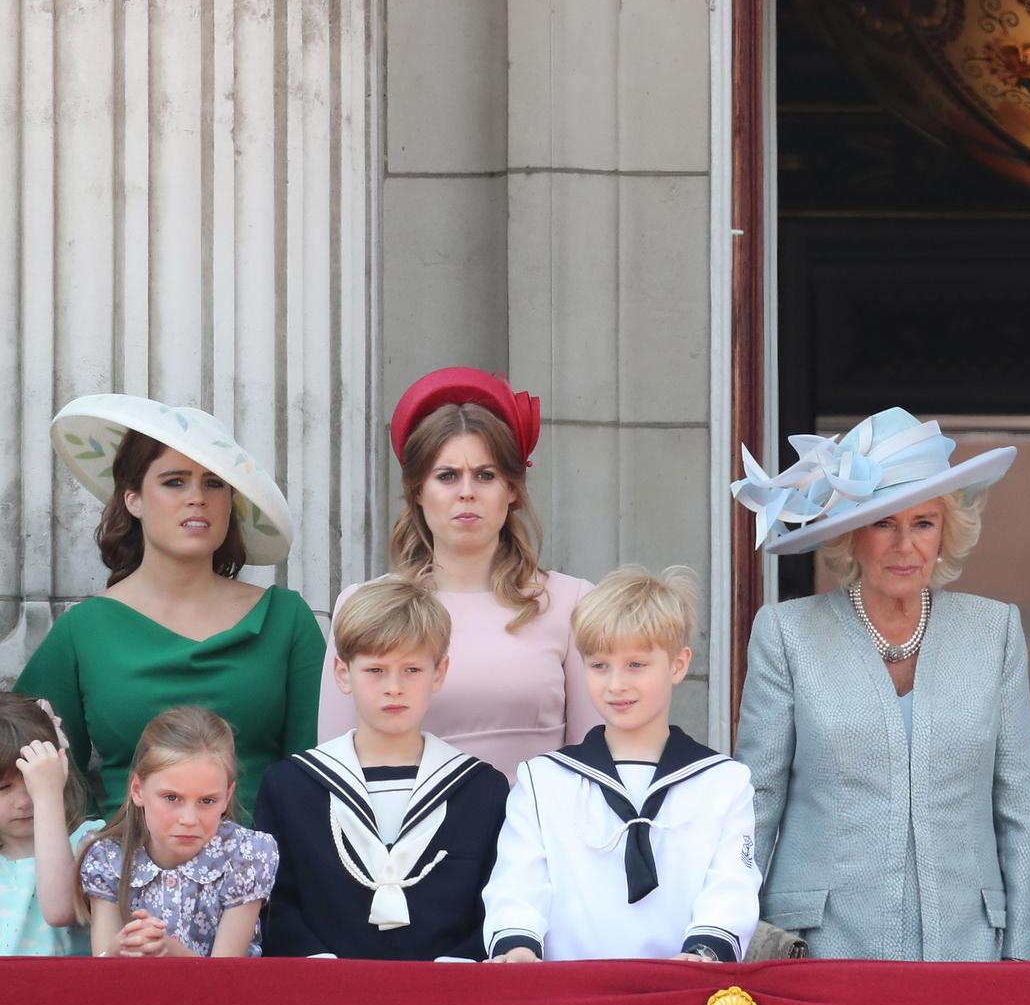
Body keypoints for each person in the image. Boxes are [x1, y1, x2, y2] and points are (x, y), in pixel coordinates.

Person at [732, 408, 1030, 961]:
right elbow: (758, 799)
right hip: (821, 949)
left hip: (967, 949)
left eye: (923, 523)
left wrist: (1022, 958)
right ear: (852, 535)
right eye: (884, 523)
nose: (906, 545)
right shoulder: (786, 633)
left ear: (946, 532)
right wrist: (732, 939)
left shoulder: (994, 631)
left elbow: (1018, 808)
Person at [18, 395, 321, 817]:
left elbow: (319, 770)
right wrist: (93, 848)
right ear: (132, 499)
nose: (197, 497)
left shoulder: (286, 619)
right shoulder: (83, 629)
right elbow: (30, 763)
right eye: (175, 481)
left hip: (265, 872)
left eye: (214, 483)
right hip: (120, 873)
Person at [318, 368, 596, 780]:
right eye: (447, 476)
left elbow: (594, 756)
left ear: (512, 489)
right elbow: (336, 760)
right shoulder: (363, 605)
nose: (467, 491)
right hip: (407, 838)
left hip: (539, 836)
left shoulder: (571, 603)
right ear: (417, 490)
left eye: (485, 475)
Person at [482, 565, 758, 962]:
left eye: (636, 665)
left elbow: (731, 885)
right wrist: (518, 945)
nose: (616, 685)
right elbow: (517, 883)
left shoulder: (723, 783)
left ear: (678, 665)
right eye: (599, 665)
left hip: (682, 993)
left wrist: (704, 953)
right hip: (570, 996)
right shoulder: (543, 781)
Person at [254, 578, 510, 959]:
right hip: (323, 997)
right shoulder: (290, 786)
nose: (394, 687)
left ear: (439, 673)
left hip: (450, 998)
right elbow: (276, 904)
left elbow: (498, 897)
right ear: (343, 673)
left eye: (412, 670)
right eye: (375, 670)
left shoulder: (481, 790)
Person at [77, 707, 279, 957]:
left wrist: (171, 953)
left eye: (207, 801)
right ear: (138, 790)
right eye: (172, 797)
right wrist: (119, 951)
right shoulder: (107, 857)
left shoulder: (245, 856)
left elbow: (227, 976)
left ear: (227, 796)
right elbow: (100, 974)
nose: (188, 819)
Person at [4, 695, 101, 955]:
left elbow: (62, 909)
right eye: (4, 787)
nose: (25, 800)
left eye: (35, 780)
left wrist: (48, 796)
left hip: (63, 992)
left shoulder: (90, 842)